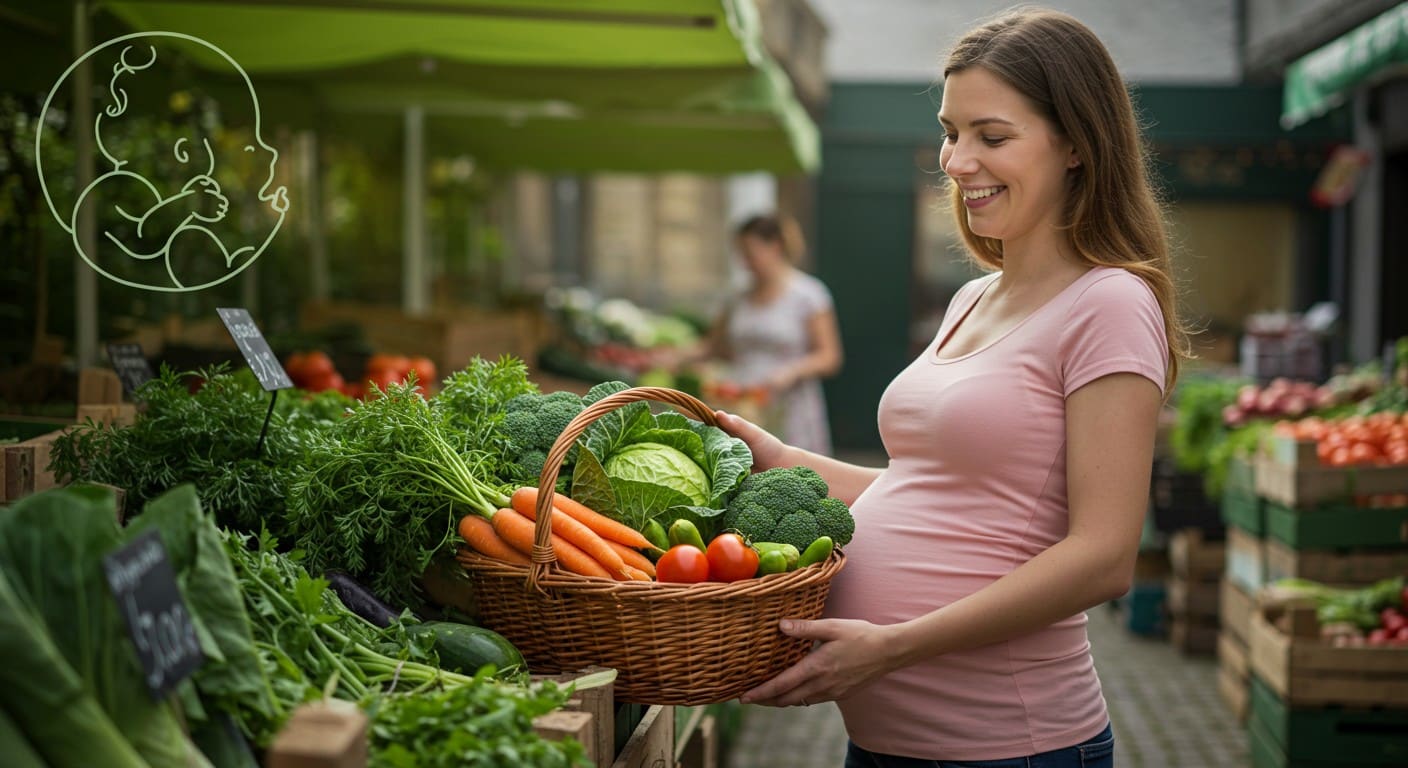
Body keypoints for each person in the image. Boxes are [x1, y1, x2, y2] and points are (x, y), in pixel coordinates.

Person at [715, 8, 1190, 767]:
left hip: (1007, 745)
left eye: (991, 137)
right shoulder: (974, 297)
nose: (957, 160)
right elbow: (931, 491)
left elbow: (1103, 557)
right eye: (951, 131)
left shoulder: (1108, 303)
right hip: (885, 744)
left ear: (1075, 144)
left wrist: (893, 647)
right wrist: (777, 454)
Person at [703, 213, 843, 455]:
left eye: (750, 253)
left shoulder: (810, 295)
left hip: (791, 407)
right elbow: (714, 347)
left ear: (775, 246)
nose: (745, 262)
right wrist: (671, 358)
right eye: (741, 254)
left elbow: (830, 357)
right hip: (743, 404)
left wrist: (791, 371)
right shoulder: (737, 296)